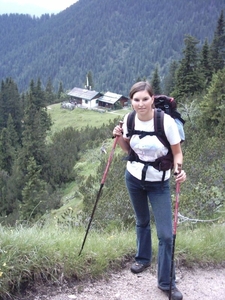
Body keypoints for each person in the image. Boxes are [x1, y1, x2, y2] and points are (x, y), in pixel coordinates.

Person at [113, 81, 186, 300]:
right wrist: (118, 138)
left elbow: (177, 154)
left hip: (159, 183)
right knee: (141, 220)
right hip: (133, 177)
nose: (141, 104)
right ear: (131, 101)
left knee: (166, 234)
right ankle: (143, 259)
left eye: (145, 99)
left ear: (152, 99)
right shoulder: (129, 119)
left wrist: (179, 171)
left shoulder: (166, 123)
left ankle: (166, 283)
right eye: (136, 100)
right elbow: (127, 148)